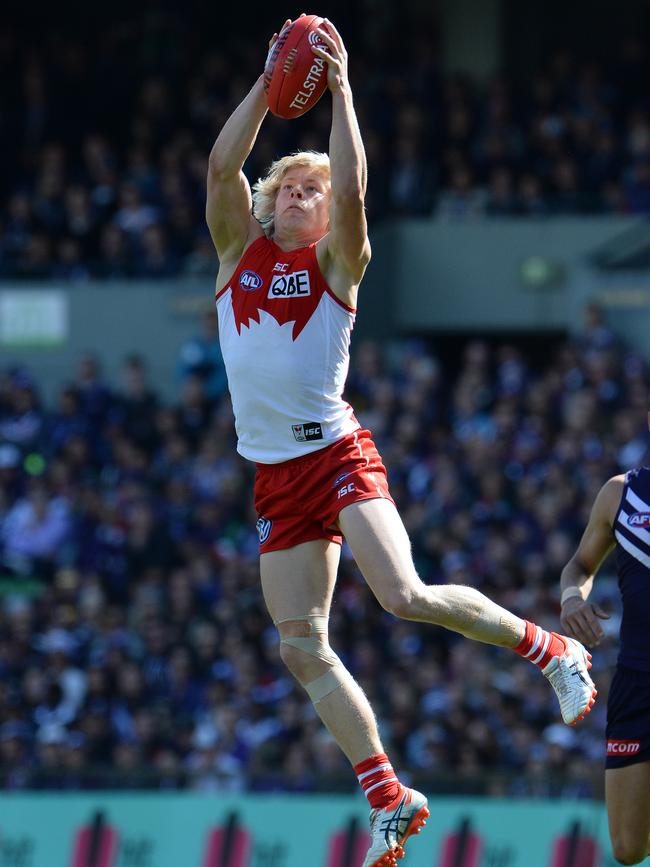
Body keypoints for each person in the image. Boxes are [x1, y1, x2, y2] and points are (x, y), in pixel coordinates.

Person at [206, 17, 596, 867]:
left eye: (315, 188)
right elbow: (221, 168)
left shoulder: (339, 262)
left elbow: (354, 195)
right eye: (294, 188)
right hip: (274, 476)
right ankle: (388, 792)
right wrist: (270, 87)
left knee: (404, 595)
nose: (307, 195)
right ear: (271, 203)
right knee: (299, 644)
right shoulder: (237, 254)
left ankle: (551, 649)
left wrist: (340, 94)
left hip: (337, 453)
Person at [560, 459, 650, 865]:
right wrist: (572, 599)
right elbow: (579, 566)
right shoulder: (621, 493)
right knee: (629, 847)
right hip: (637, 680)